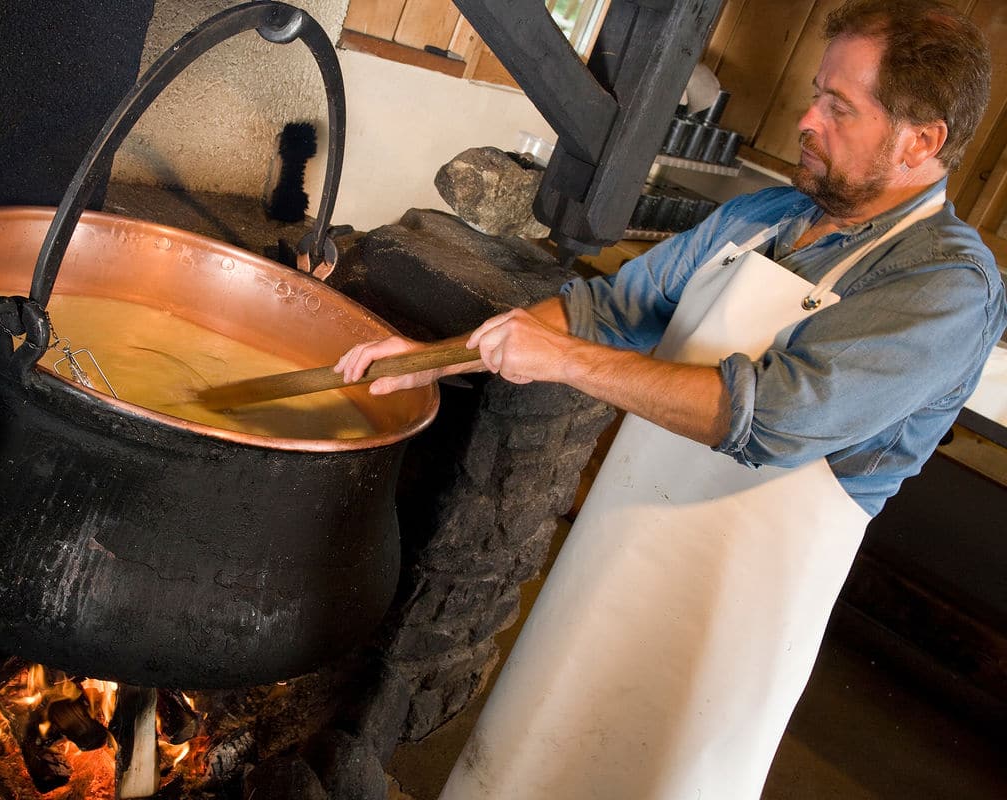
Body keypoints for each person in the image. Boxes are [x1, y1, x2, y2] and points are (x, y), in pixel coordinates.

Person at [334, 1, 1007, 797]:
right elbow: (606, 309)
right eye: (815, 94)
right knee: (521, 761)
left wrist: (571, 363)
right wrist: (434, 360)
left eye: (837, 105)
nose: (804, 119)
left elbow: (770, 417)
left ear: (920, 141)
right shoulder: (769, 216)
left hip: (724, 624)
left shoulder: (945, 286)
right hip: (610, 556)